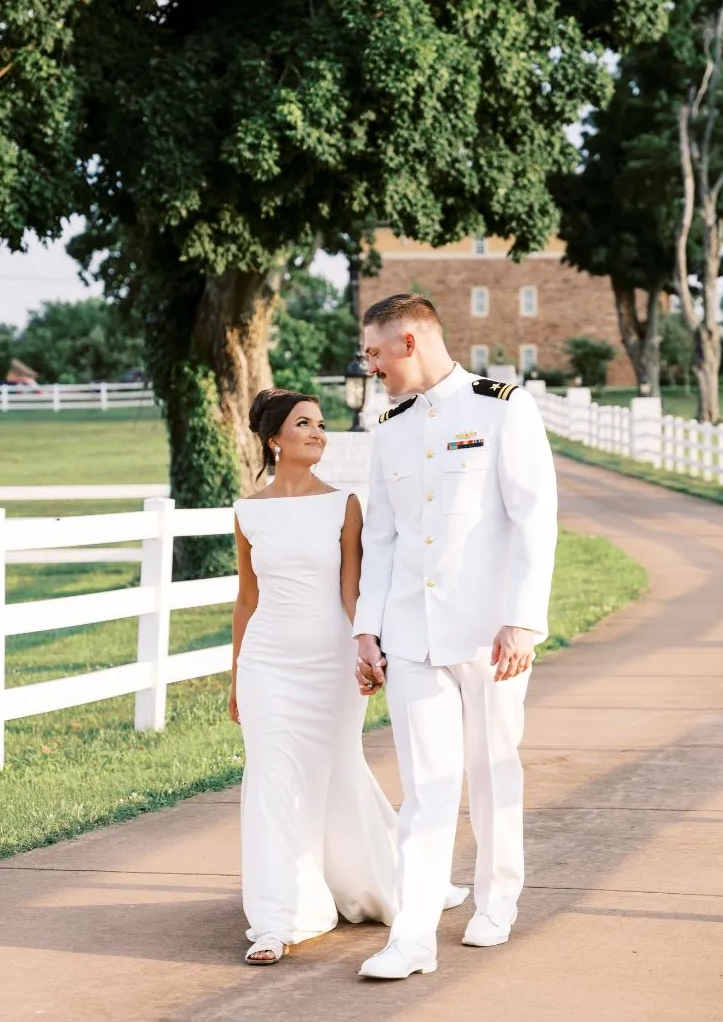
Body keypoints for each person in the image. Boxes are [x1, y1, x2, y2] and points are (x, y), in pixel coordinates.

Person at [353, 294, 559, 980]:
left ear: (409, 341)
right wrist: (367, 628)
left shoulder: (503, 407)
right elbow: (382, 536)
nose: (370, 366)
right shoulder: (389, 425)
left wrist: (523, 619)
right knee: (425, 788)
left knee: (492, 769)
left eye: (375, 352)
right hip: (411, 633)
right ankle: (411, 938)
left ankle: (497, 902)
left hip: (489, 634)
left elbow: (534, 519)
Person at [230, 388, 467, 966]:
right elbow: (246, 598)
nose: (318, 432)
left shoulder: (344, 505)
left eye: (320, 424)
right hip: (266, 661)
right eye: (304, 424)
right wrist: (236, 676)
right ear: (274, 440)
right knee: (270, 779)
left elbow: (352, 589)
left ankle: (368, 879)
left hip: (331, 662)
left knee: (336, 769)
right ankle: (279, 919)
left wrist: (369, 649)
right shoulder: (247, 512)